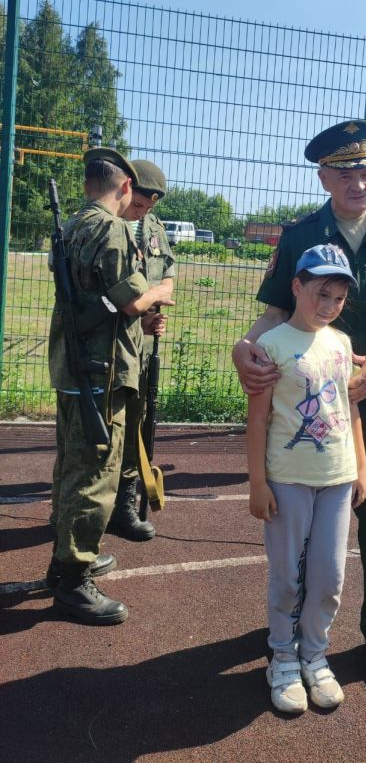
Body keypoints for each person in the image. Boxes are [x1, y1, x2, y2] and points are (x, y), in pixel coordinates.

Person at [233, 119, 366, 694]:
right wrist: (242, 349)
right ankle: (290, 636)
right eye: (345, 172)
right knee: (300, 527)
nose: (358, 182)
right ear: (324, 176)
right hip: (309, 406)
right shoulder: (299, 235)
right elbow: (273, 315)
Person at [47, 148, 174, 625]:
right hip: (102, 369)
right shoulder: (113, 228)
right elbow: (133, 300)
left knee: (71, 463)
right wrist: (160, 293)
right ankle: (74, 577)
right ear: (125, 186)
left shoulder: (71, 226)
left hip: (74, 364)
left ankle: (67, 555)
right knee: (96, 468)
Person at [246, 244, 366, 713]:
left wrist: (360, 466)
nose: (329, 305)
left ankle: (315, 656)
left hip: (337, 479)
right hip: (288, 480)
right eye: (321, 292)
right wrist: (258, 483)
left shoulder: (341, 343)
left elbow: (349, 404)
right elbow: (257, 421)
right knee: (286, 577)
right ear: (296, 287)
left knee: (329, 577)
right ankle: (282, 657)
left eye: (338, 297)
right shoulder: (271, 345)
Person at [107, 160, 175, 541]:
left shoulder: (153, 229)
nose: (143, 212)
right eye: (140, 206)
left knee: (137, 421)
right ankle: (77, 514)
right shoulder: (107, 227)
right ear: (127, 189)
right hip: (108, 343)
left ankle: (123, 506)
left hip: (143, 343)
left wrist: (155, 305)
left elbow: (168, 271)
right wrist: (141, 309)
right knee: (101, 432)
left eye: (149, 208)